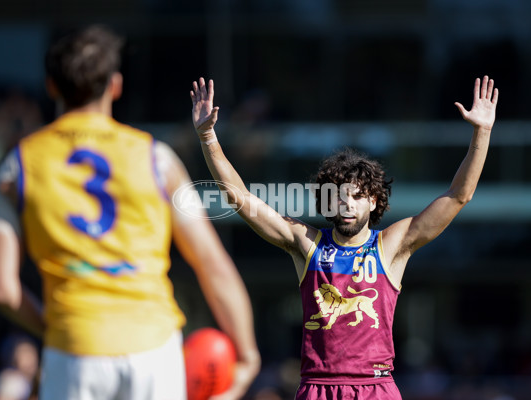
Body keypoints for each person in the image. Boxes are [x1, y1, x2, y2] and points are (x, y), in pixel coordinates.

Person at [0, 25, 260, 400]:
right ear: (115, 85)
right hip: (155, 351)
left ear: (51, 86)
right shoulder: (157, 159)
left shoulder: (16, 166)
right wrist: (246, 354)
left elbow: (2, 290)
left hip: (73, 349)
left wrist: (58, 328)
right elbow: (212, 263)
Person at [190, 76, 498, 399]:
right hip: (317, 388)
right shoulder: (306, 243)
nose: (347, 203)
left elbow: (458, 196)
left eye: (357, 195)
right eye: (338, 196)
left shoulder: (391, 245)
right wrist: (208, 136)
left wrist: (483, 132)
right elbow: (241, 198)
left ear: (374, 201)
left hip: (376, 388)